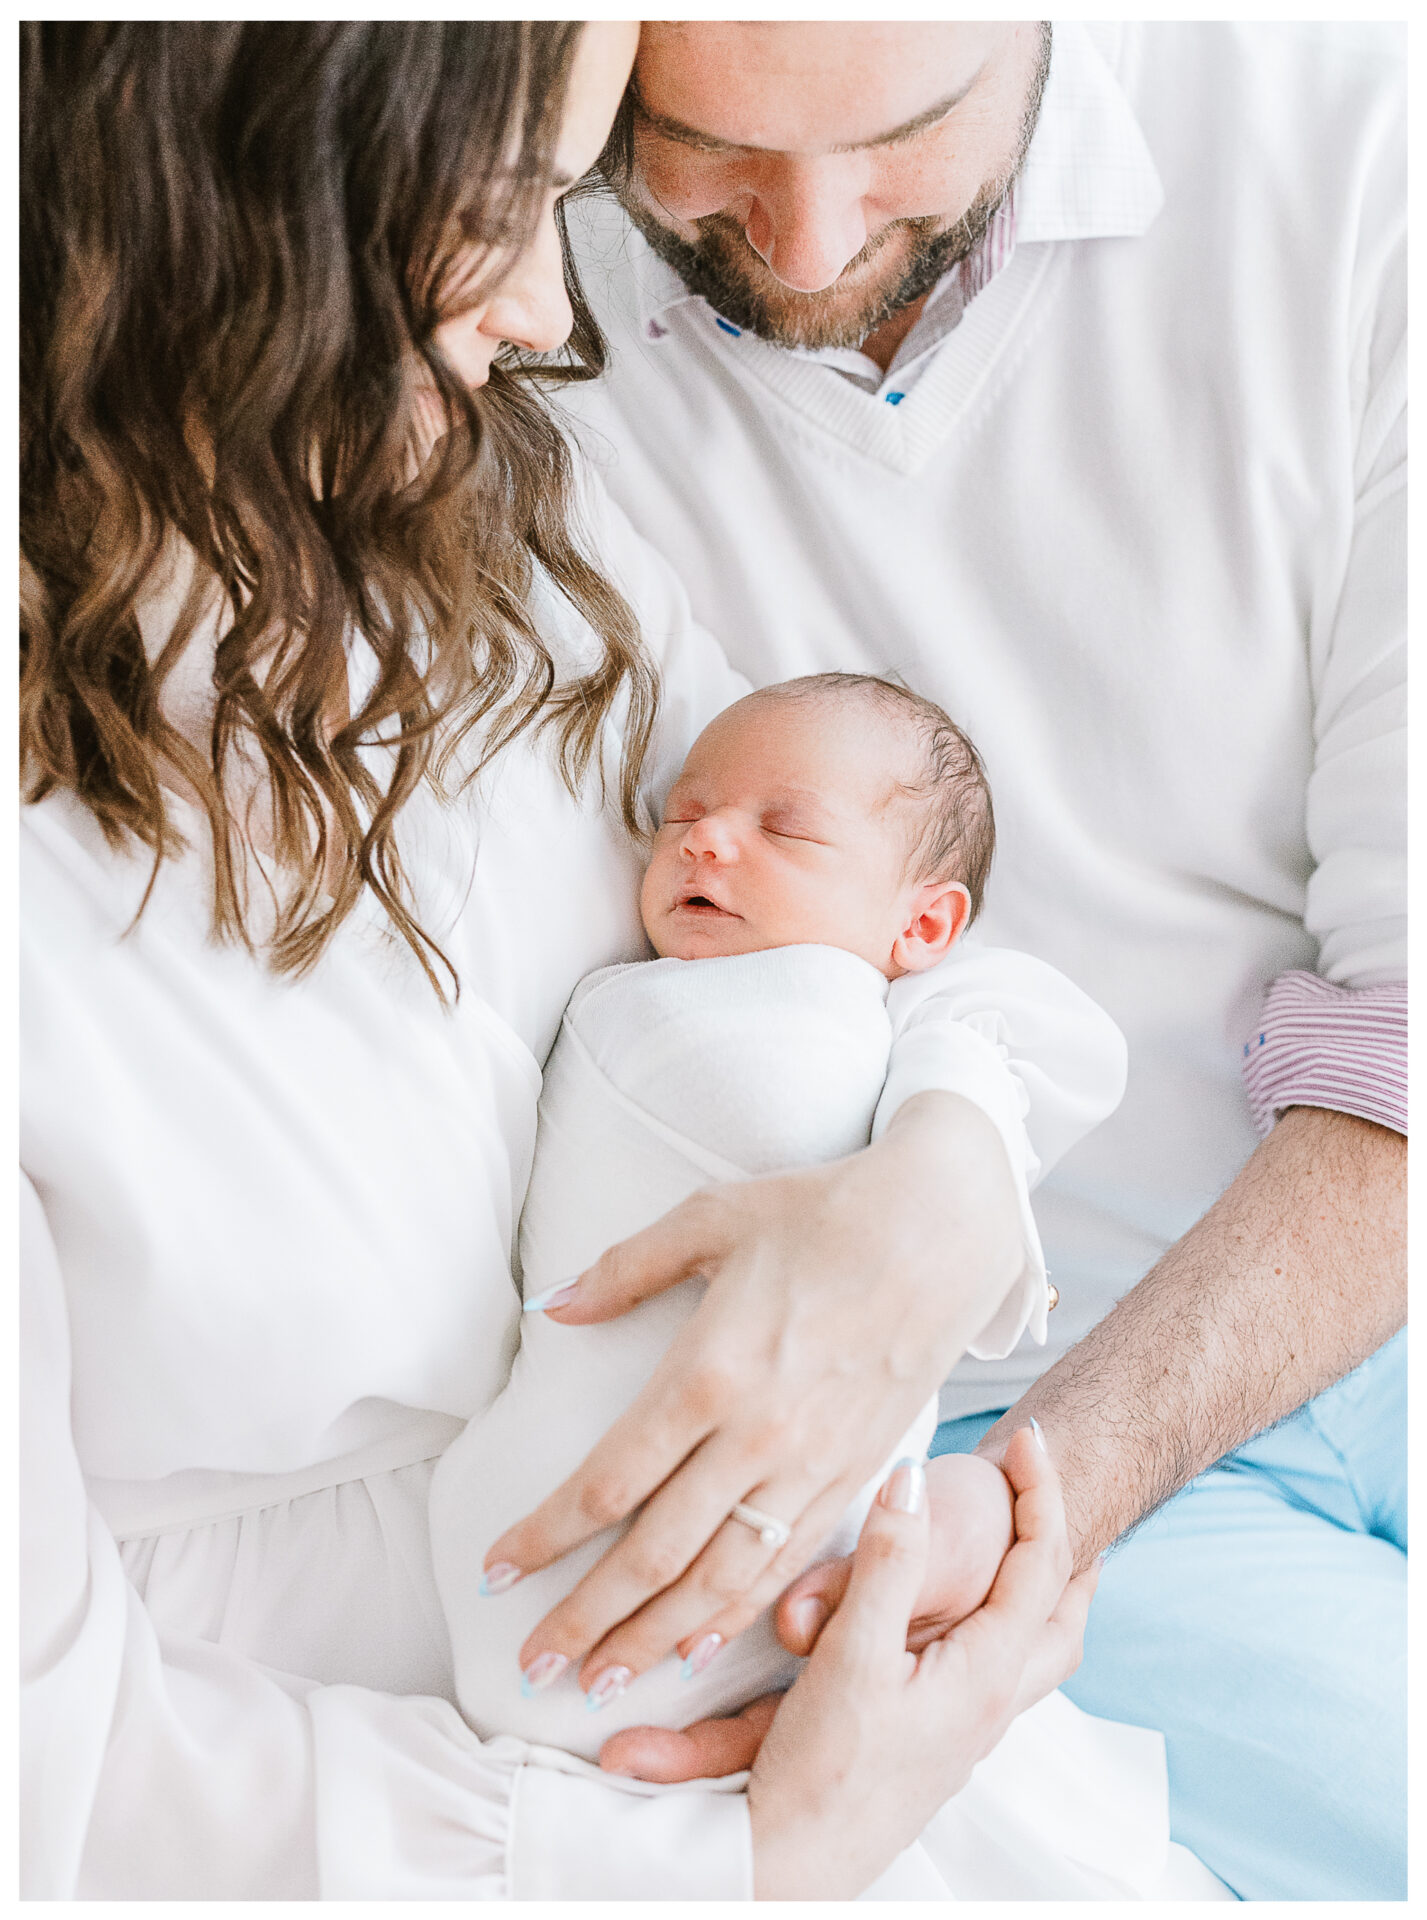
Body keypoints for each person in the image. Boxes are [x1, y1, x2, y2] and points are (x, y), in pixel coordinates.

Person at [21, 21, 1155, 1900]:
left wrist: (937, 1197)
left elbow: (882, 902)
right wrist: (752, 1847)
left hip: (806, 1709)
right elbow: (49, 1762)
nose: (552, 310)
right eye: (507, 205)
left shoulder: (515, 551)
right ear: (217, 207)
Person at [520, 19, 1407, 1900]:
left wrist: (1033, 1505)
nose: (811, 237)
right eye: (700, 153)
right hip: (1009, 1415)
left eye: (906, 141)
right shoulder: (505, 295)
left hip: (1275, 1303)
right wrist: (991, 1521)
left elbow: (1406, 1044)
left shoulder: (1353, 160)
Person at [432, 678, 1120, 1754]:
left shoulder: (865, 1041)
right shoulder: (639, 1004)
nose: (705, 840)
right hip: (530, 1546)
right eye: (681, 816)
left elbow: (1043, 1036)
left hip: (816, 1587)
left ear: (922, 923)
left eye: (785, 829)